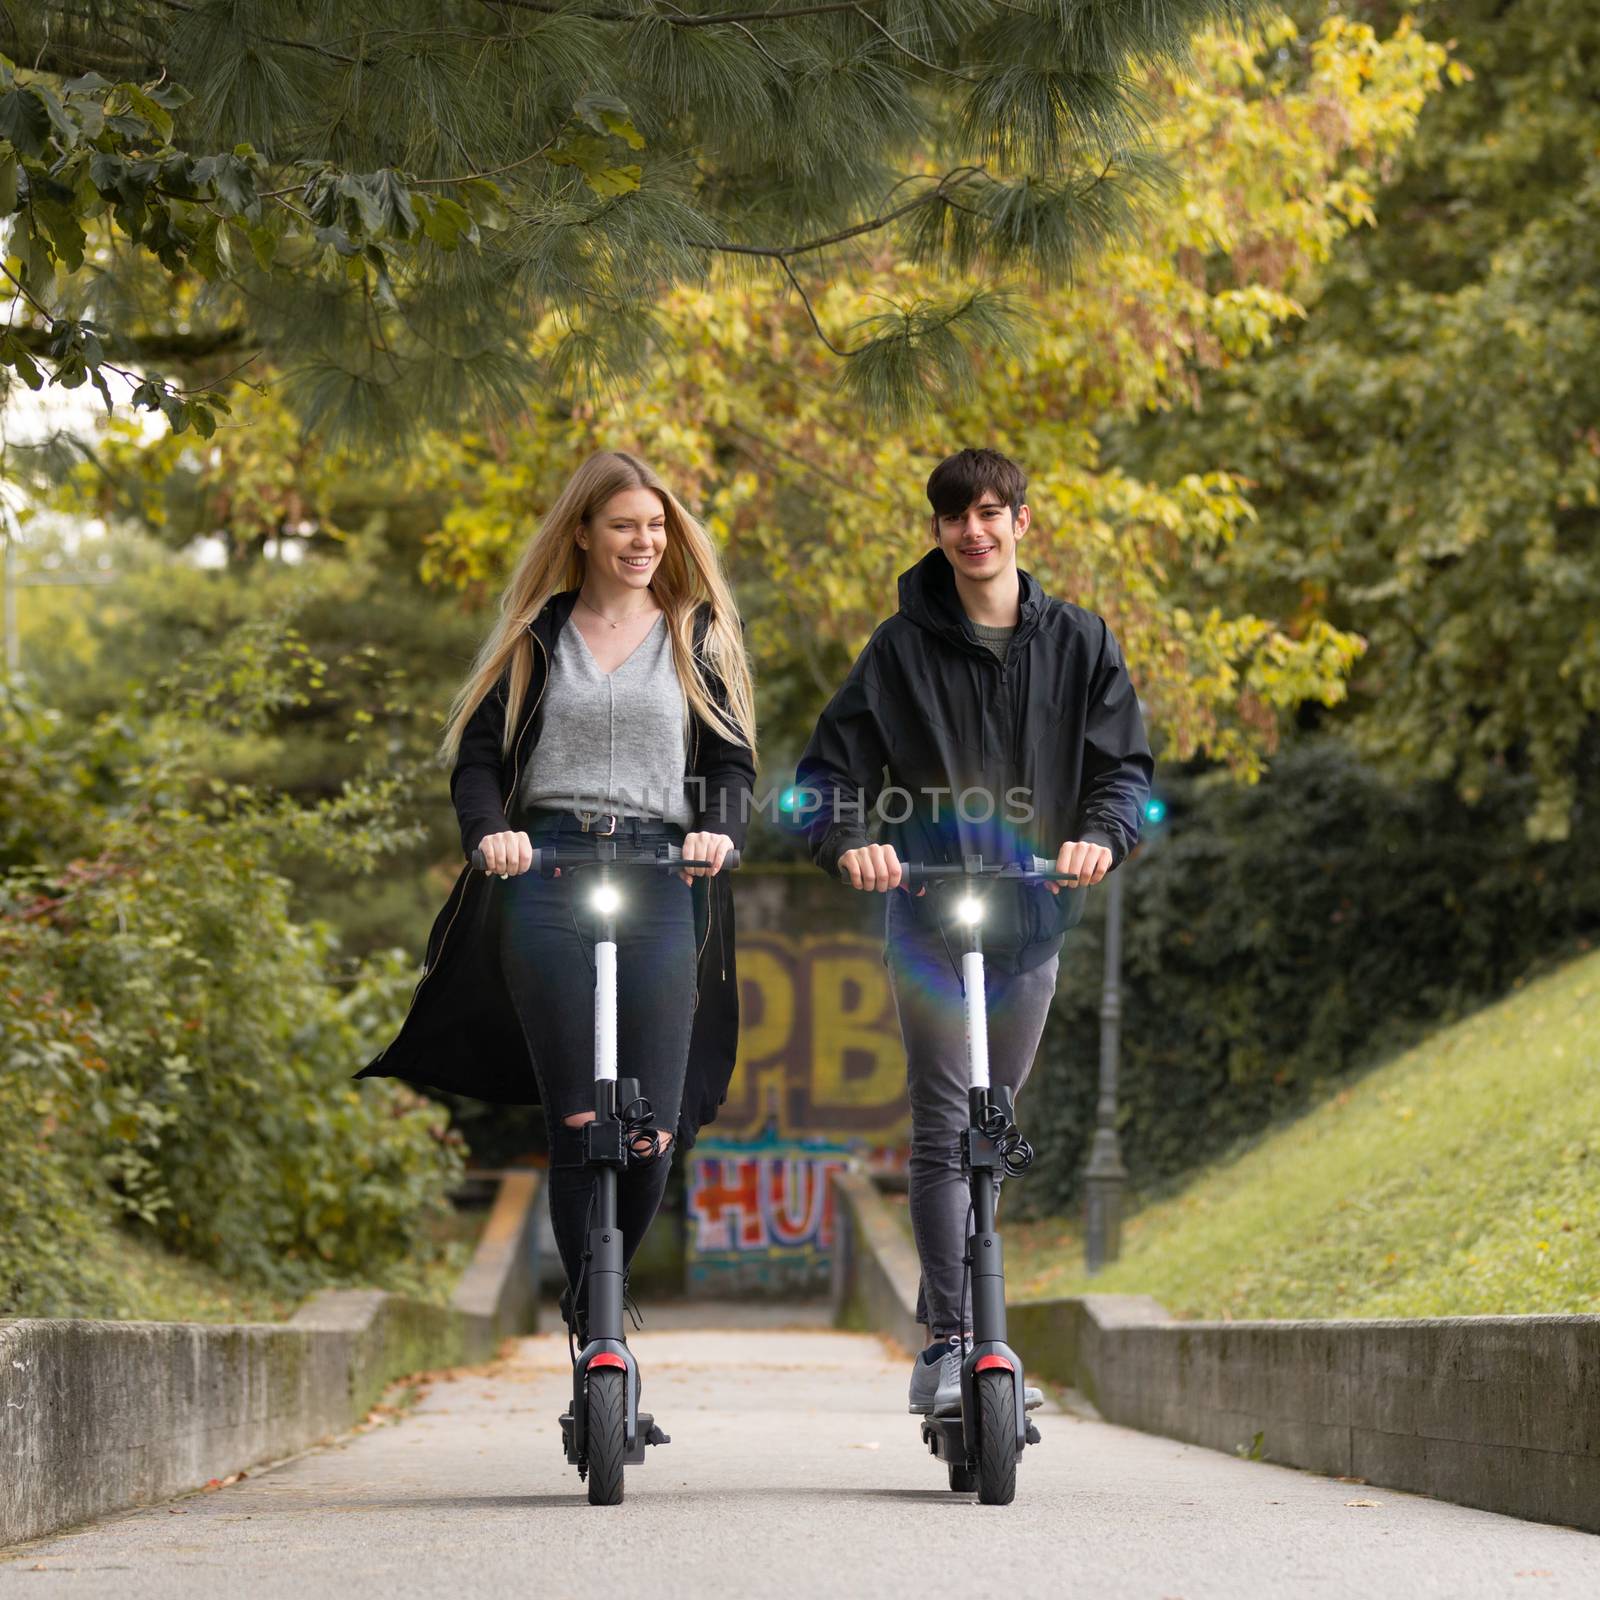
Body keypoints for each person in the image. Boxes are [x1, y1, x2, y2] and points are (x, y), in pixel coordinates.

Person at [357, 449, 757, 1344]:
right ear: (582, 534)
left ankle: (591, 1309)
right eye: (624, 527)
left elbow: (731, 762)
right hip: (547, 875)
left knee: (648, 1126)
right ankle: (604, 1343)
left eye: (656, 526)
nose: (644, 542)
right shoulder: (536, 635)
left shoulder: (695, 634)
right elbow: (479, 762)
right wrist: (489, 834)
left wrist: (719, 831)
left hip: (662, 874)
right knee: (582, 1118)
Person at [796, 446, 1152, 1416]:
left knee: (992, 1126)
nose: (975, 529)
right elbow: (822, 777)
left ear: (1022, 523)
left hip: (1034, 910)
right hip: (928, 914)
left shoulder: (1080, 641)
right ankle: (954, 1341)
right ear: (938, 530)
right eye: (957, 516)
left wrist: (1100, 836)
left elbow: (1124, 769)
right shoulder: (898, 649)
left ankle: (961, 1321)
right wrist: (850, 845)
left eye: (992, 512)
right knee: (946, 1127)